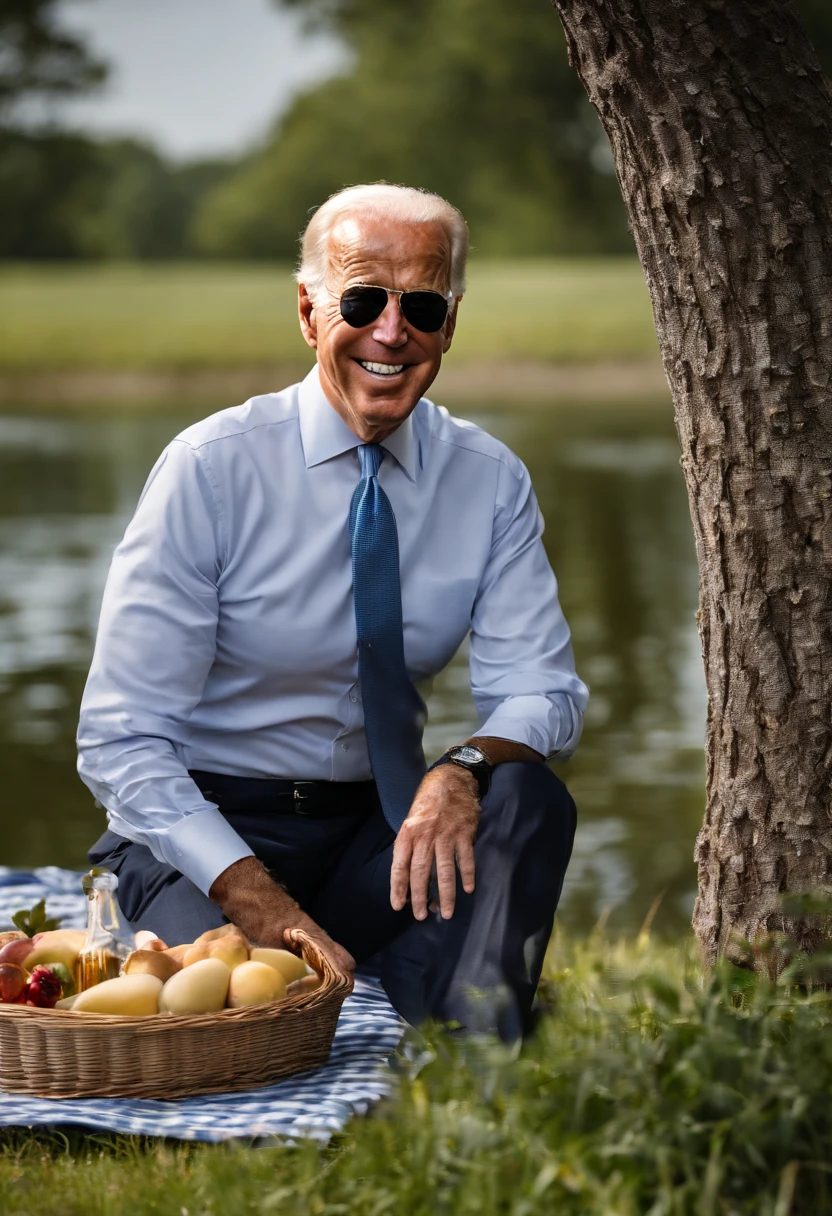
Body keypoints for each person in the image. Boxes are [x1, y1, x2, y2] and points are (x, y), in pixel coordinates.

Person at [77, 183, 588, 1040]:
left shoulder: (490, 479)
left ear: (449, 323)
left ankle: (474, 1047)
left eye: (421, 304)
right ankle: (395, 981)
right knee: (223, 1011)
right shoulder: (209, 469)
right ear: (311, 312)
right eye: (362, 300)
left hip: (376, 831)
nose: (392, 331)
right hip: (207, 834)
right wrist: (252, 894)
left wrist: (459, 765)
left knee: (527, 796)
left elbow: (548, 693)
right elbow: (121, 738)